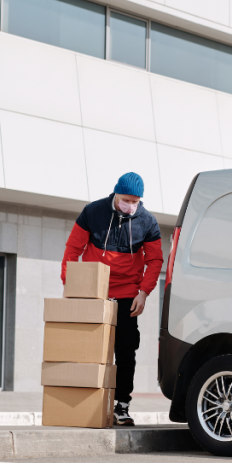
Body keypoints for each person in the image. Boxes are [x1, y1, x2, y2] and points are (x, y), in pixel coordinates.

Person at [61, 172, 163, 426]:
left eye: (136, 201)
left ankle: (122, 406)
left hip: (128, 294)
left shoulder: (148, 222)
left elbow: (155, 261)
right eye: (127, 200)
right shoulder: (92, 212)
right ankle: (83, 402)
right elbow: (73, 249)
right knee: (88, 350)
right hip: (94, 291)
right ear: (116, 194)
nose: (131, 205)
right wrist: (71, 284)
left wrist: (144, 292)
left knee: (126, 352)